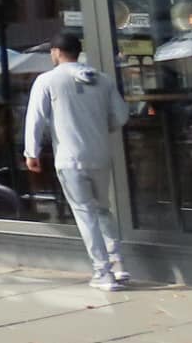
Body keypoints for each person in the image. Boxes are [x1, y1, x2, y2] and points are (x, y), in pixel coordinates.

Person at [25, 31, 132, 291]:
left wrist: (32, 152)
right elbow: (121, 116)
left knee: (85, 215)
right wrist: (98, 126)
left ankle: (102, 272)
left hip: (70, 158)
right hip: (100, 155)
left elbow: (35, 120)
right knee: (102, 210)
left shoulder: (47, 80)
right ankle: (117, 263)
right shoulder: (102, 79)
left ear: (56, 52)